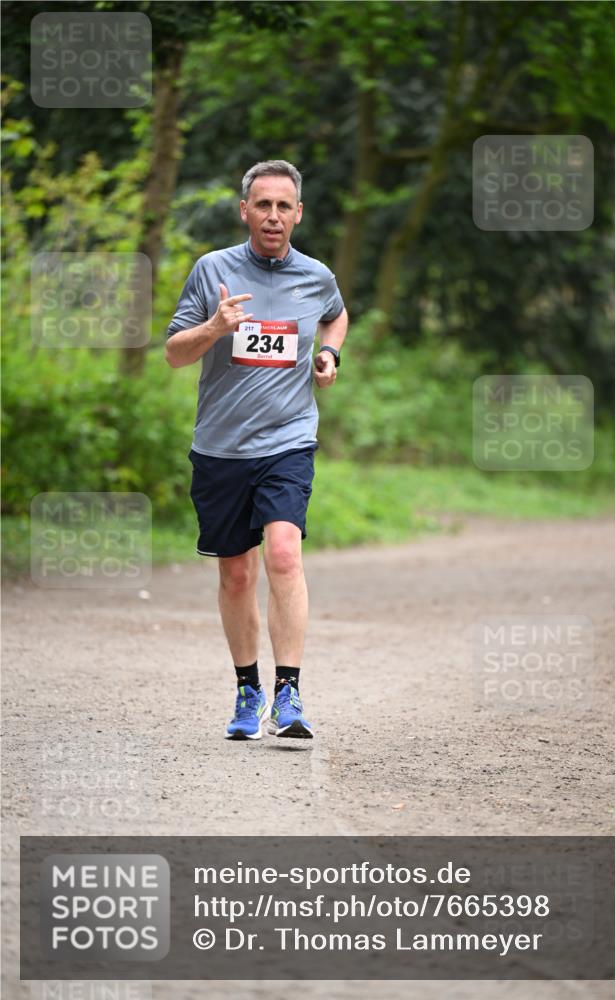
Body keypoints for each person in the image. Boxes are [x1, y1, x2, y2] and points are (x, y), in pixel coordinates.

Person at [165, 160, 348, 741]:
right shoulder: (212, 269)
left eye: (283, 206)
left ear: (298, 213)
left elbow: (336, 315)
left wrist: (329, 355)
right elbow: (173, 352)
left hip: (289, 440)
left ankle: (288, 693)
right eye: (262, 205)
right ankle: (247, 691)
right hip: (220, 448)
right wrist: (216, 327)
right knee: (238, 576)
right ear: (244, 210)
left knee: (285, 555)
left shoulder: (315, 275)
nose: (273, 216)